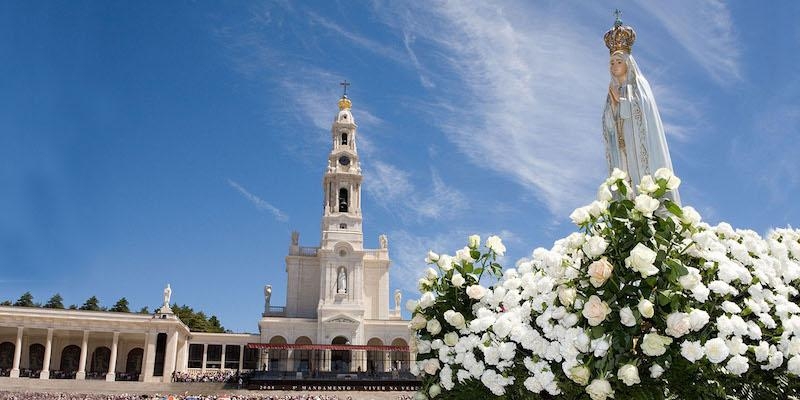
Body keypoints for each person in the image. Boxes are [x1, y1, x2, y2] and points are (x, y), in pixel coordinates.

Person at [602, 14, 680, 204]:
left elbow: (643, 112)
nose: (614, 66)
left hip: (639, 150)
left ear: (628, 64)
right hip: (622, 151)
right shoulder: (611, 90)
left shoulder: (639, 86)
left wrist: (621, 103)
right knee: (624, 189)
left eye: (618, 61)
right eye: (611, 62)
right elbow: (608, 126)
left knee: (643, 188)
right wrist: (613, 108)